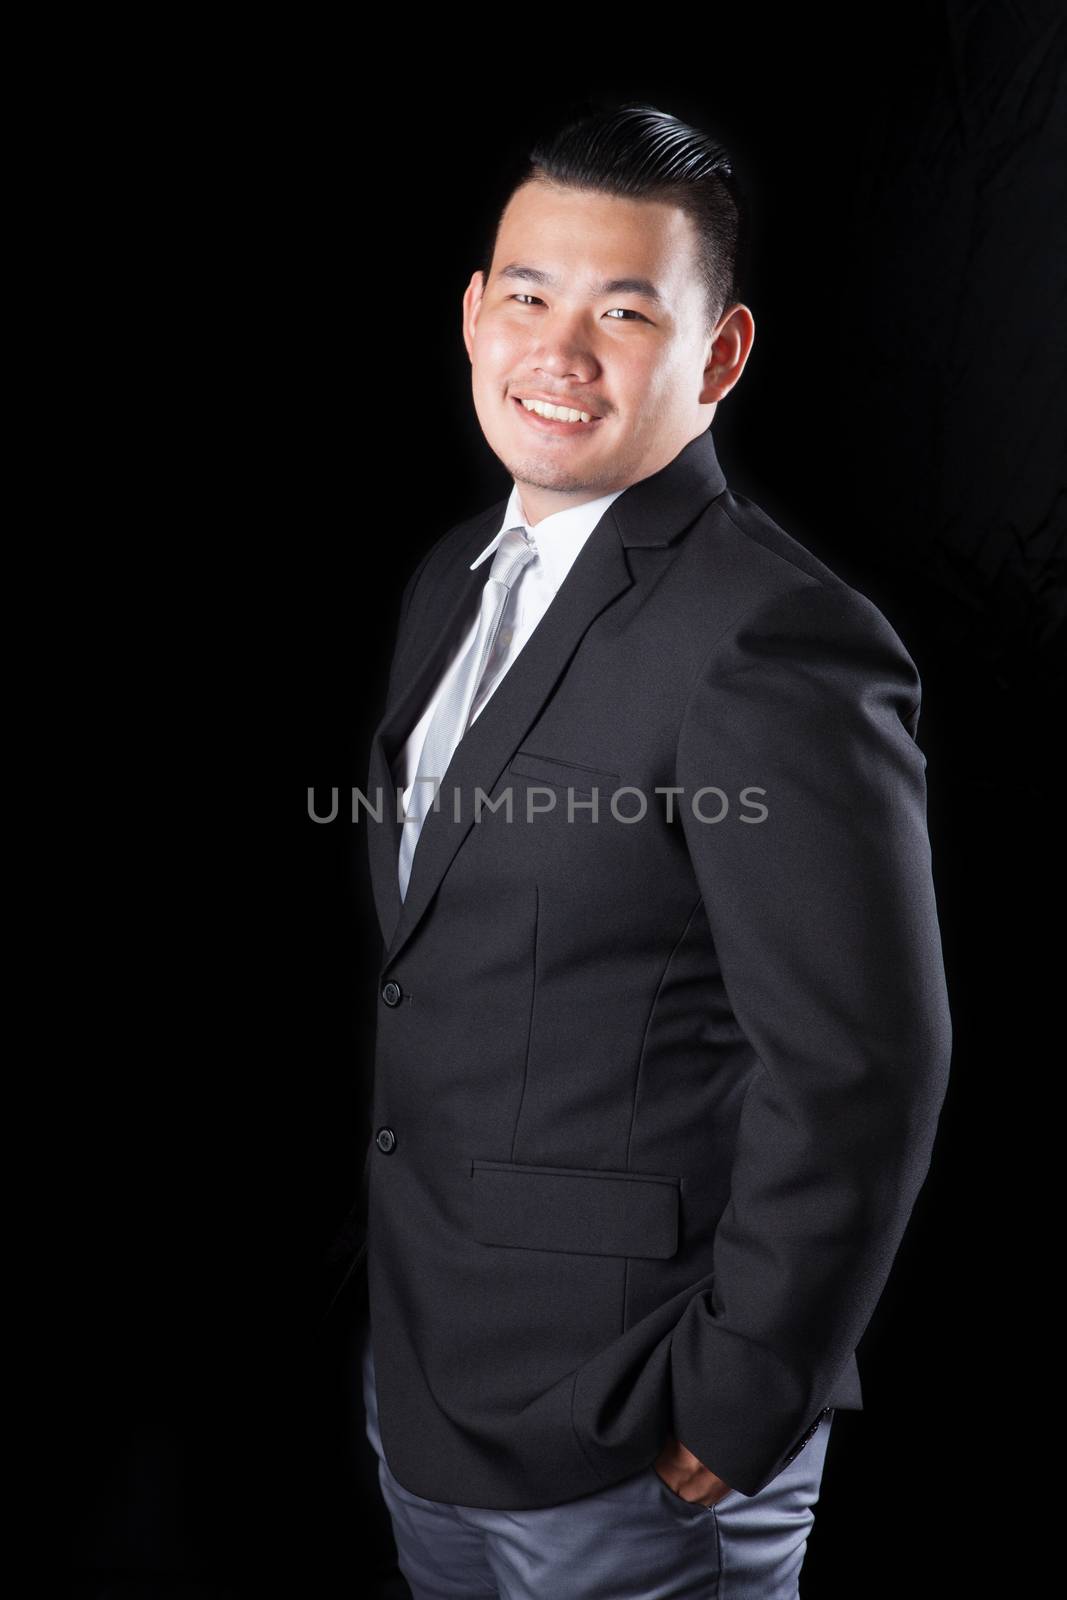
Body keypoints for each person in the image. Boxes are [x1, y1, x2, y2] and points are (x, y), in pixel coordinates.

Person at [324, 99, 952, 1599]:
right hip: (428, 1388)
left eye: (625, 313)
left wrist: (742, 1398)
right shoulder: (453, 582)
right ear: (475, 314)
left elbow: (864, 1066)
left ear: (718, 356)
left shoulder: (773, 637)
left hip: (637, 1438)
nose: (560, 351)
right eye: (529, 297)